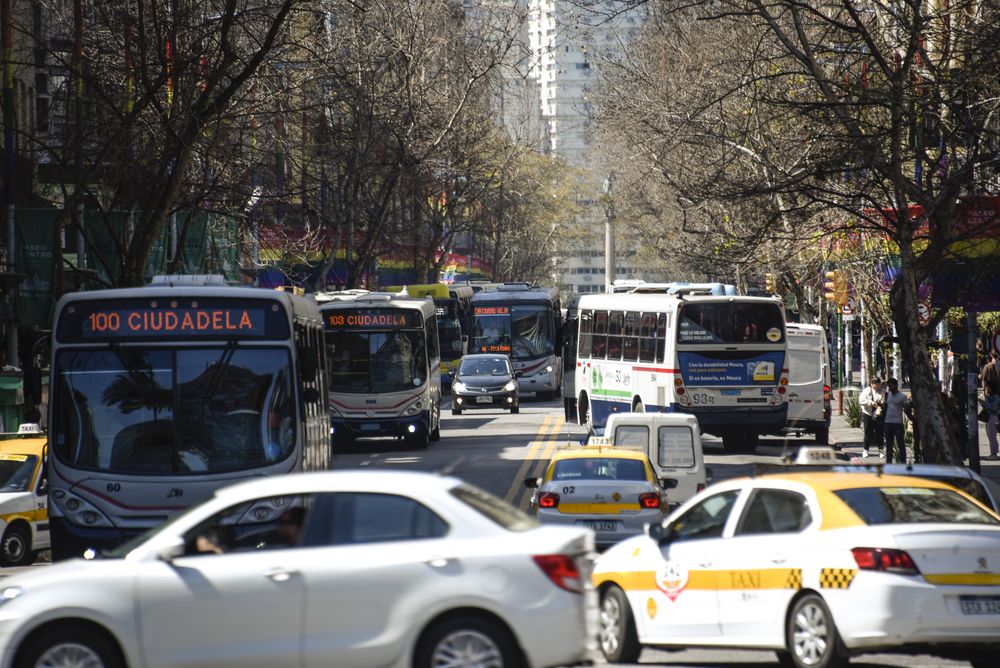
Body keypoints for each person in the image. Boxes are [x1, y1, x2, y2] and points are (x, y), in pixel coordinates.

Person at [882, 378, 910, 463]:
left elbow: (906, 409)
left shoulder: (902, 396)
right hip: (888, 422)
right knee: (889, 444)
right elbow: (885, 406)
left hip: (898, 423)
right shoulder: (887, 395)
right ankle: (888, 462)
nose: (890, 387)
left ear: (896, 385)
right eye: (889, 385)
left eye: (892, 385)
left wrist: (911, 417)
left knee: (900, 443)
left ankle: (902, 461)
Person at [858, 377, 885, 458]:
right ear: (871, 383)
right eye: (874, 383)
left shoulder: (882, 391)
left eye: (877, 383)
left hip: (878, 414)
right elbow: (861, 401)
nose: (876, 385)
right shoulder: (867, 390)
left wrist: (881, 404)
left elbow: (884, 402)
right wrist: (872, 403)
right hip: (868, 413)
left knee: (879, 433)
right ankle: (865, 450)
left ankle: (881, 451)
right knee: (868, 432)